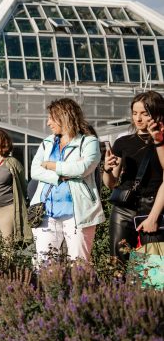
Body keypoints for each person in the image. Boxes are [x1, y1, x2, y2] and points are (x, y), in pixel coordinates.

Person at [30, 98, 104, 264]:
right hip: (46, 213)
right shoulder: (47, 142)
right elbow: (35, 171)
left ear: (64, 117)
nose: (48, 123)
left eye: (51, 118)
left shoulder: (89, 141)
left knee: (79, 265)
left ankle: (79, 291)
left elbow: (83, 168)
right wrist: (60, 175)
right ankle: (47, 291)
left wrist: (50, 165)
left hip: (79, 213)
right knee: (44, 265)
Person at [103, 91, 164, 263]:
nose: (138, 119)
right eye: (135, 113)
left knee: (154, 265)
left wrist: (153, 217)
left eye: (145, 114)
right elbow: (111, 184)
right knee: (117, 262)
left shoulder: (161, 141)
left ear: (157, 114)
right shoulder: (123, 142)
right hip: (124, 206)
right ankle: (116, 290)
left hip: (153, 206)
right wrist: (107, 169)